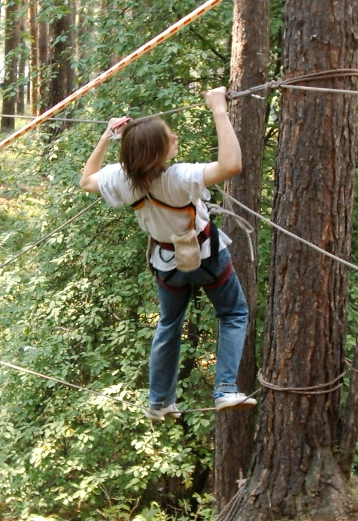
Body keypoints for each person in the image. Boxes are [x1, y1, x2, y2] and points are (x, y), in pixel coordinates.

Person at [80, 87, 256, 420]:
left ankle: (160, 401)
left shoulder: (122, 180)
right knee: (233, 313)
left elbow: (87, 180)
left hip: (167, 265)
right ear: (158, 151)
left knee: (169, 324)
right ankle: (225, 390)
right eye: (168, 136)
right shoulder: (179, 178)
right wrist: (219, 108)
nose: (175, 136)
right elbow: (232, 165)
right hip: (206, 256)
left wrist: (107, 136)